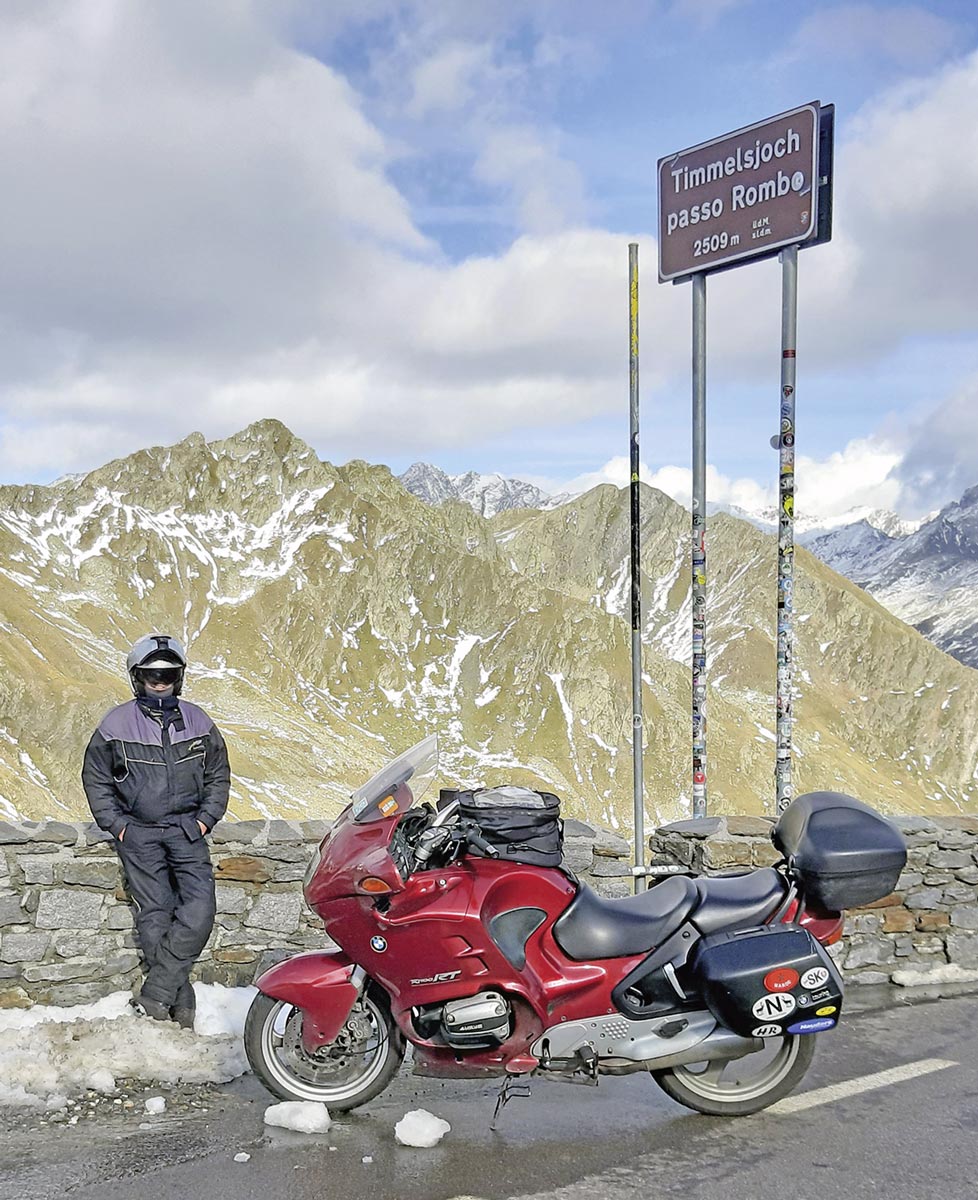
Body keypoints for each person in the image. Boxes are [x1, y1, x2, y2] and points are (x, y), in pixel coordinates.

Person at [82, 634, 230, 1028]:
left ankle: (156, 994)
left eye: (168, 674)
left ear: (179, 678)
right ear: (138, 677)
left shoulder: (199, 720)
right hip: (140, 833)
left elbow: (218, 775)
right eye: (152, 674)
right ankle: (181, 1006)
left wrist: (204, 819)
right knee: (156, 913)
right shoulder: (115, 723)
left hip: (187, 831)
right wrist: (118, 826)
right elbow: (96, 779)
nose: (160, 681)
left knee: (200, 911)